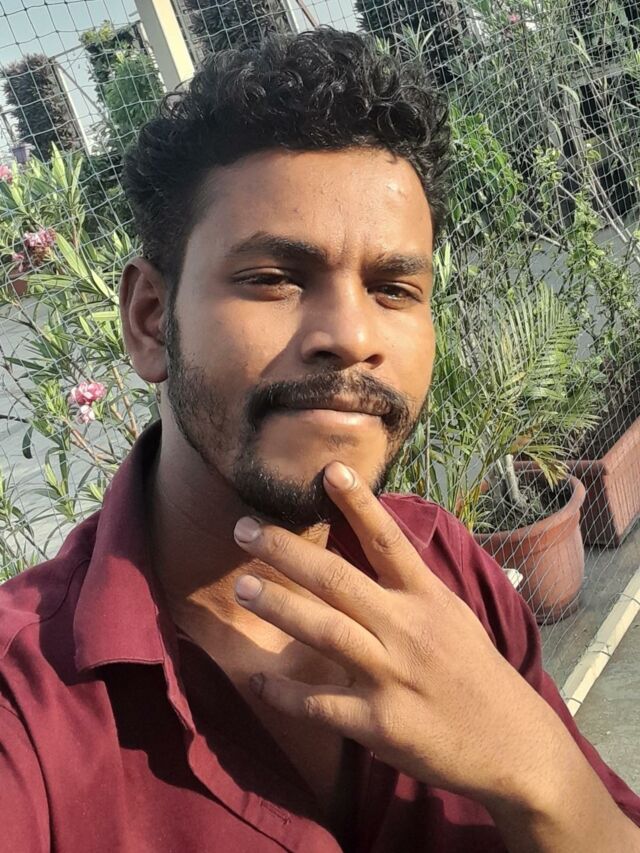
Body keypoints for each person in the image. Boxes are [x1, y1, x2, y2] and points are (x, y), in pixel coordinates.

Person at [1, 28, 639, 853]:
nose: (351, 335)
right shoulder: (29, 710)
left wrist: (538, 771)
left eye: (394, 287)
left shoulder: (448, 570)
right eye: (273, 278)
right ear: (151, 320)